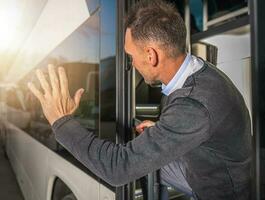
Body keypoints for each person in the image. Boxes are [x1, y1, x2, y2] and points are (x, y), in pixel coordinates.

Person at [28, 1, 252, 199]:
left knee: (135, 166)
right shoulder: (200, 72)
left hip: (219, 191)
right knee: (147, 165)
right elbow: (197, 121)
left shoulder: (193, 105)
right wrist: (163, 129)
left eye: (131, 56)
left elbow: (118, 168)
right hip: (208, 168)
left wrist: (61, 122)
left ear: (151, 55)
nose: (131, 64)